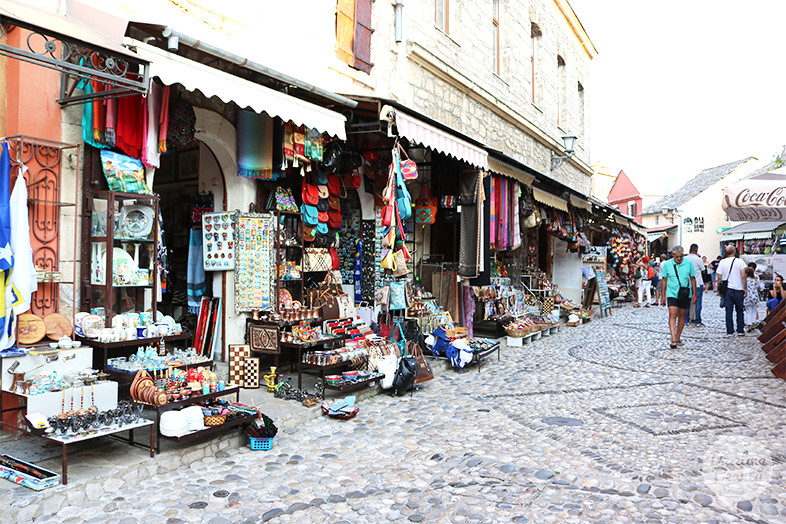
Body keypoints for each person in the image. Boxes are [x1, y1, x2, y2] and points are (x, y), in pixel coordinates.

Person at [660, 245, 697, 349]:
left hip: (684, 292)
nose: (679, 259)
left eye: (681, 256)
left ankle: (678, 337)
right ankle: (673, 339)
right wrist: (662, 296)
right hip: (672, 292)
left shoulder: (688, 263)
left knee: (683, 314)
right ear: (673, 255)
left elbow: (693, 278)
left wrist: (694, 293)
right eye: (677, 257)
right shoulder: (667, 264)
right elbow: (664, 280)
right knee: (673, 314)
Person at [716, 245, 747, 336]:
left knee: (728, 311)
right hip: (739, 288)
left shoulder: (722, 262)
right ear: (734, 252)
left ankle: (730, 331)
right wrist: (745, 288)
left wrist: (719, 288)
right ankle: (740, 329)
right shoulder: (740, 261)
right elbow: (743, 276)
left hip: (728, 289)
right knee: (740, 310)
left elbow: (719, 277)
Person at [686, 244, 705, 327]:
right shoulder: (698, 259)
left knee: (687, 303)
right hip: (697, 283)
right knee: (698, 303)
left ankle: (686, 320)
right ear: (696, 250)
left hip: (687, 284)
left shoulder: (685, 259)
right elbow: (703, 270)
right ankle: (698, 320)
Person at [743, 267, 759, 331]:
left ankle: (749, 325)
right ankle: (753, 324)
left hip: (748, 297)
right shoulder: (755, 279)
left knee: (748, 311)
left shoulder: (745, 280)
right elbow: (759, 287)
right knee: (754, 311)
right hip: (755, 296)